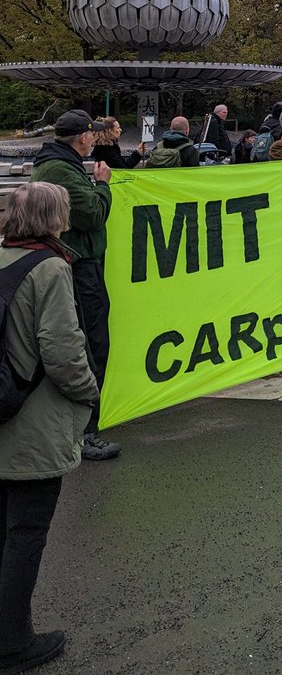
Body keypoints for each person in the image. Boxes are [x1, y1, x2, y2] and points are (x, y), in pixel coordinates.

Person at [0, 183, 98, 671]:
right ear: (52, 219)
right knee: (27, 532)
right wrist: (90, 392)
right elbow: (62, 350)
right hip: (32, 422)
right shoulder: (51, 269)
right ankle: (14, 642)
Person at [29, 110, 118, 461]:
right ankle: (85, 431)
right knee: (91, 344)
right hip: (79, 267)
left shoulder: (59, 164)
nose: (95, 138)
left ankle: (80, 426)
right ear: (82, 137)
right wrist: (103, 186)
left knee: (87, 341)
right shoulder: (61, 170)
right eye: (92, 134)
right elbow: (92, 213)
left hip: (78, 264)